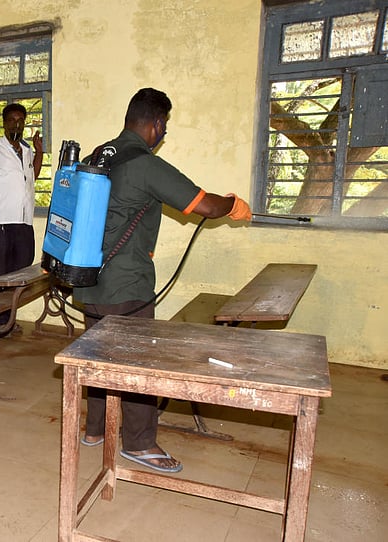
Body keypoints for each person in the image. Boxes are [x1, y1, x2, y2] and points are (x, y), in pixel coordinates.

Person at [73, 88, 252, 473]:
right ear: (156, 124)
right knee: (138, 366)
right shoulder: (144, 163)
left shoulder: (99, 154)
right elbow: (203, 203)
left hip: (88, 280)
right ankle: (139, 444)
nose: (163, 133)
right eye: (164, 126)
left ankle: (95, 429)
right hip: (126, 285)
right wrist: (232, 204)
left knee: (100, 357)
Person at [0, 103, 44, 326]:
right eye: (12, 120)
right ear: (4, 123)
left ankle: (11, 318)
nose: (16, 124)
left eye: (21, 121)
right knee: (0, 274)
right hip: (0, 223)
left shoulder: (26, 151)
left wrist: (39, 153)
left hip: (23, 222)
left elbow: (31, 178)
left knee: (21, 272)